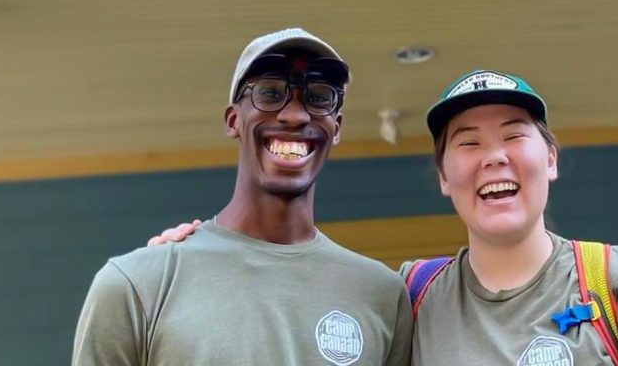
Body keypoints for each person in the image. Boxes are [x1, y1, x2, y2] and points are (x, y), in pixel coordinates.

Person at [152, 69, 618, 365]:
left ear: (549, 160)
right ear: (445, 179)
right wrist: (204, 253)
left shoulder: (617, 285)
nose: (494, 155)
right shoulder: (408, 298)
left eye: (514, 136)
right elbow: (291, 317)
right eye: (467, 143)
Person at [72, 28, 413, 366]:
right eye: (270, 92)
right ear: (233, 120)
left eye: (319, 96)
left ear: (336, 127)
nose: (295, 115)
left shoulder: (381, 294)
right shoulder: (138, 283)